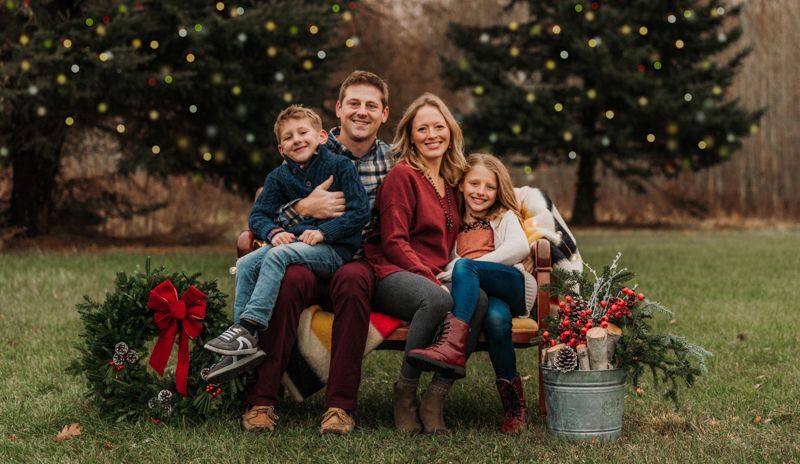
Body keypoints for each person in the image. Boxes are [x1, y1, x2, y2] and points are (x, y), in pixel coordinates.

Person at [240, 70, 391, 435]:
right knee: (290, 279)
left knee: (355, 282)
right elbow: (265, 208)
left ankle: (339, 407)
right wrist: (302, 210)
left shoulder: (396, 160)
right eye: (354, 103)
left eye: (371, 105)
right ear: (338, 110)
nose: (361, 111)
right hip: (302, 254)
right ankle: (262, 399)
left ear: (384, 114)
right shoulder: (309, 150)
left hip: (355, 258)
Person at [204, 105, 370, 383]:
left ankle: (249, 325)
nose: (297, 140)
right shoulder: (278, 177)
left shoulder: (341, 167)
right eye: (289, 137)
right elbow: (258, 215)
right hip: (294, 245)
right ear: (281, 149)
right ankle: (243, 345)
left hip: (334, 251)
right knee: (246, 263)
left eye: (303, 132)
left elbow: (359, 211)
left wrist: (325, 232)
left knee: (278, 257)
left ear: (320, 136)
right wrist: (271, 232)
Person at [365, 93, 487, 434]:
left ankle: (436, 397)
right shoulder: (402, 176)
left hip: (432, 274)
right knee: (437, 299)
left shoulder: (451, 182)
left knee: (477, 299)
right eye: (423, 129)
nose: (432, 134)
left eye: (439, 126)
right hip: (392, 272)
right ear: (411, 135)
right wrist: (429, 278)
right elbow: (393, 242)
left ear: (450, 131)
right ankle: (404, 393)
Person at [407, 153, 535, 434]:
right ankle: (515, 408)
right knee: (497, 321)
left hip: (510, 285)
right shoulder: (452, 221)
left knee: (466, 267)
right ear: (462, 185)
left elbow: (519, 249)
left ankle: (451, 345)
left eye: (490, 187)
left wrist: (464, 268)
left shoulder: (503, 216)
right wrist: (458, 272)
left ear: (498, 190)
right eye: (475, 183)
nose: (481, 192)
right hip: (484, 297)